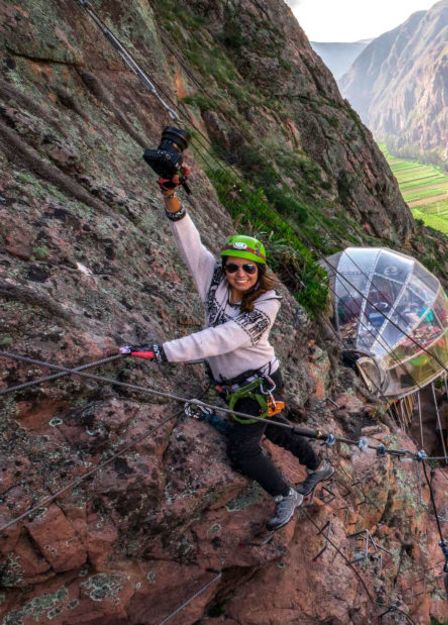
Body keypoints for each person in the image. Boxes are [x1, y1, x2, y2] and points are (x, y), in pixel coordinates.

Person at [120, 170, 333, 530]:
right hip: (237, 385)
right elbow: (188, 239)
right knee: (277, 430)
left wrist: (162, 352)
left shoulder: (267, 304)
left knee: (243, 450)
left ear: (259, 270)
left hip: (258, 384)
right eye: (232, 266)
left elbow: (220, 339)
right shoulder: (213, 278)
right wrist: (170, 195)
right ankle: (317, 467)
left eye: (248, 268)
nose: (239, 274)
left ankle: (286, 495)